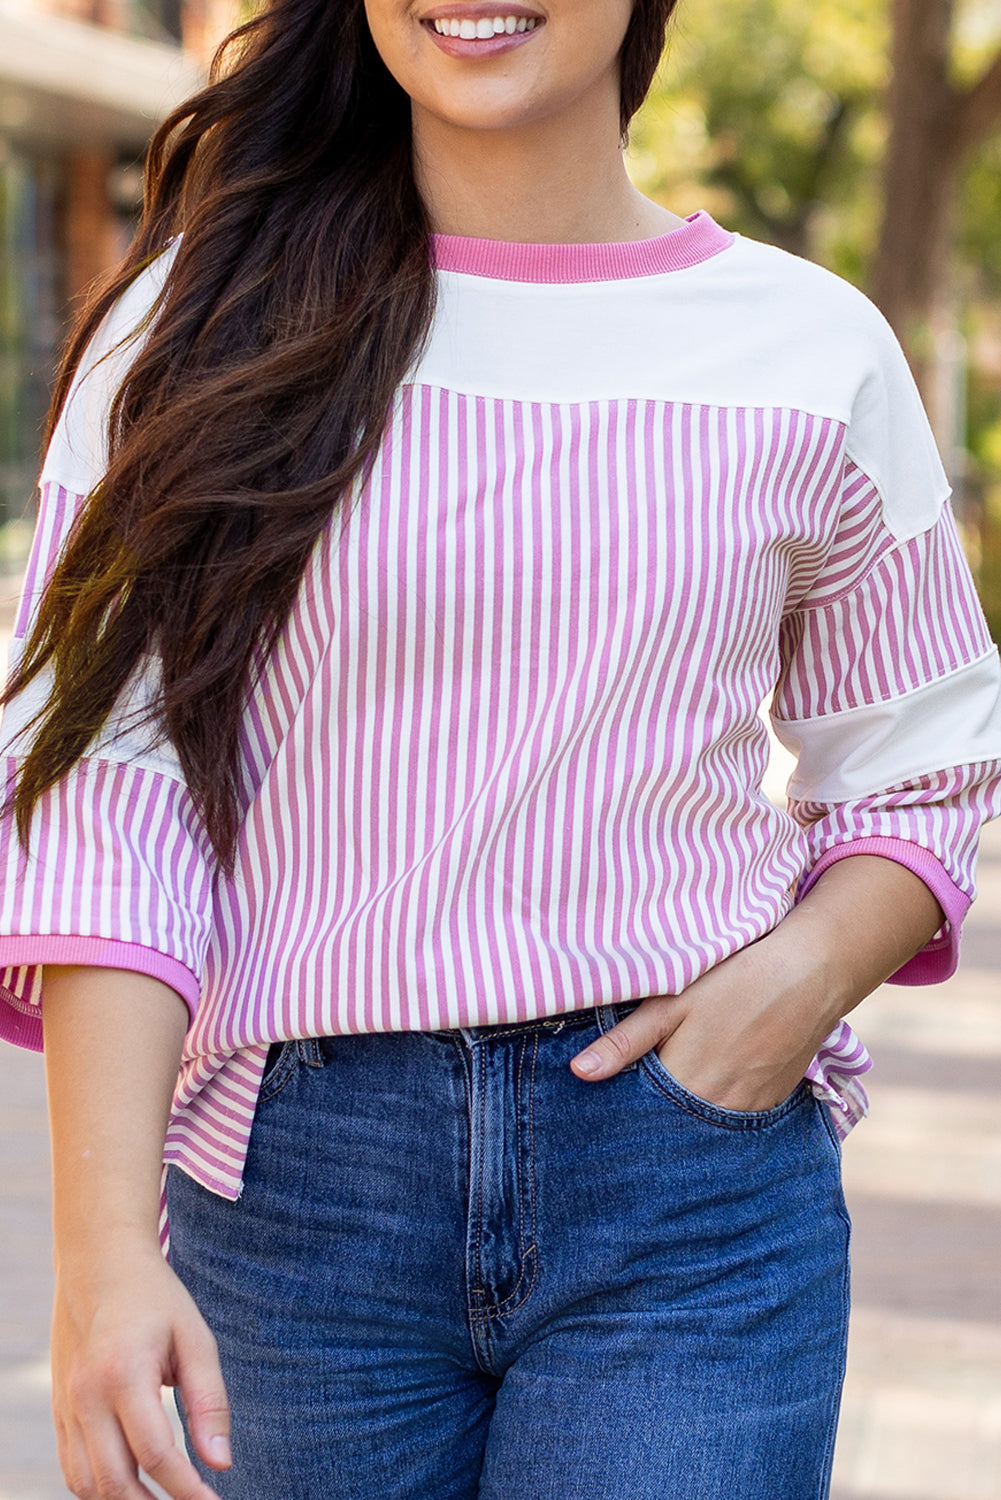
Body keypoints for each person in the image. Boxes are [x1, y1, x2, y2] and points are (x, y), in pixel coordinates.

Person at [2, 0, 1001, 1495]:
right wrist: (95, 1260)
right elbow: (107, 790)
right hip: (296, 1204)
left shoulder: (807, 348)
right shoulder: (190, 333)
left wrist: (779, 1003)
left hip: (684, 1190)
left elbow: (923, 752)